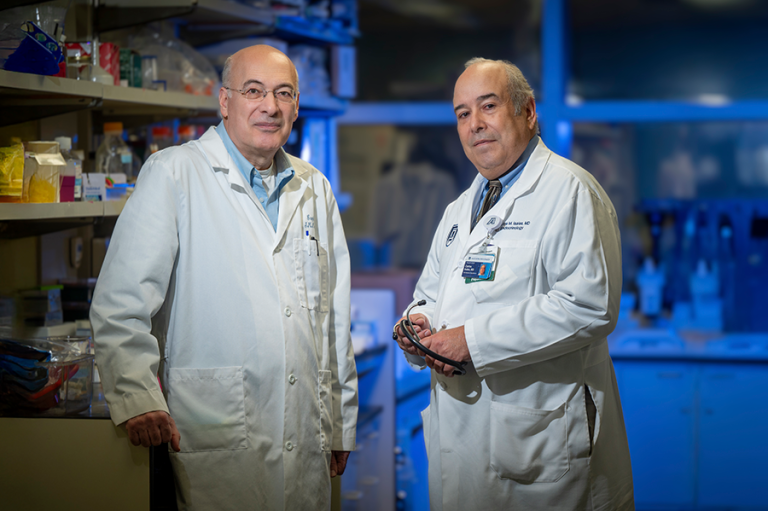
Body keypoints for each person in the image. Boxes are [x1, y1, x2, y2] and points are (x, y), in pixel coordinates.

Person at [90, 45, 358, 510]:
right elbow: (121, 304)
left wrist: (337, 421)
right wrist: (137, 395)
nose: (270, 106)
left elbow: (333, 317)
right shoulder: (175, 173)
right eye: (253, 91)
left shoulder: (314, 185)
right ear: (225, 101)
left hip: (306, 432)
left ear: (295, 107)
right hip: (214, 428)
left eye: (283, 93)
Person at [393, 57, 634, 510]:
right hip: (464, 439)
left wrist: (470, 341)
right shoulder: (459, 208)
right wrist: (416, 325)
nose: (475, 125)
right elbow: (429, 292)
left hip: (538, 445)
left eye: (489, 106)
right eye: (463, 114)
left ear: (528, 111)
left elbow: (588, 306)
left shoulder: (570, 192)